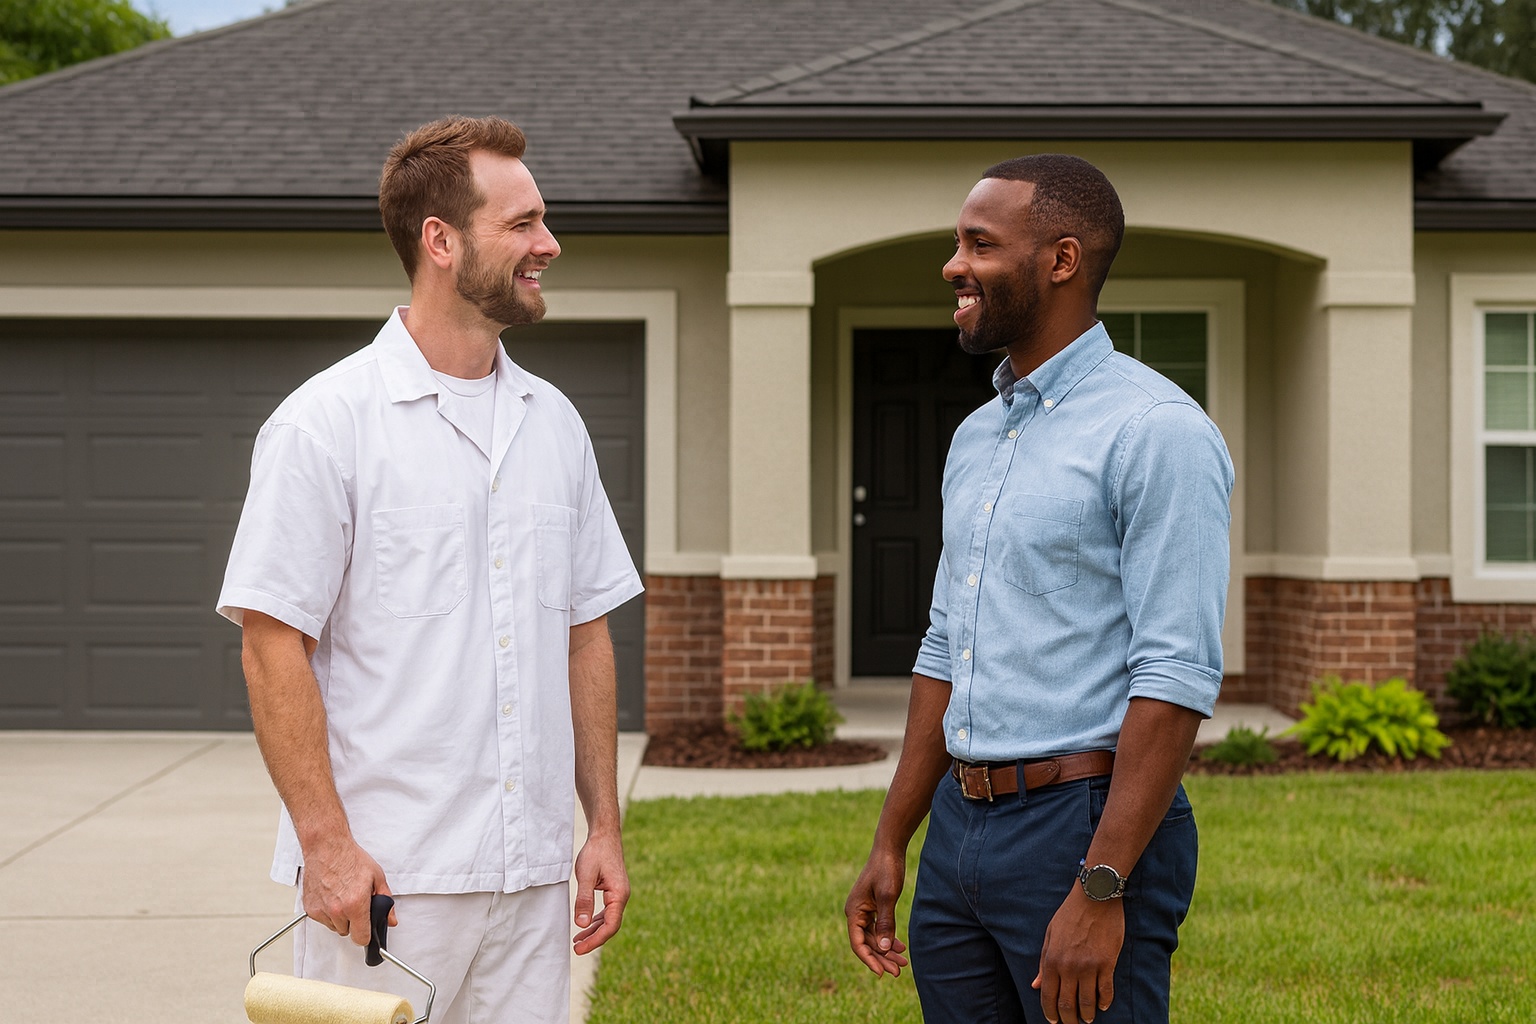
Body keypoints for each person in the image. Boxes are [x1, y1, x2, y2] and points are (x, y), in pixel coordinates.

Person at [217, 115, 642, 1024]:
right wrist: (325, 845)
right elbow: (270, 645)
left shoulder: (554, 423)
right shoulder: (324, 425)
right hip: (383, 884)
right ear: (440, 241)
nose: (549, 244)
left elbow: (584, 632)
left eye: (544, 220)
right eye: (522, 223)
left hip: (530, 880)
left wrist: (600, 826)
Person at [844, 155, 1233, 1024]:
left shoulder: (1157, 432)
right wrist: (893, 838)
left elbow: (1174, 676)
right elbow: (947, 645)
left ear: (1062, 261)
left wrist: (1101, 885)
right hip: (961, 828)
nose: (953, 264)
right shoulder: (979, 436)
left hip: (1084, 827)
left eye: (979, 244)